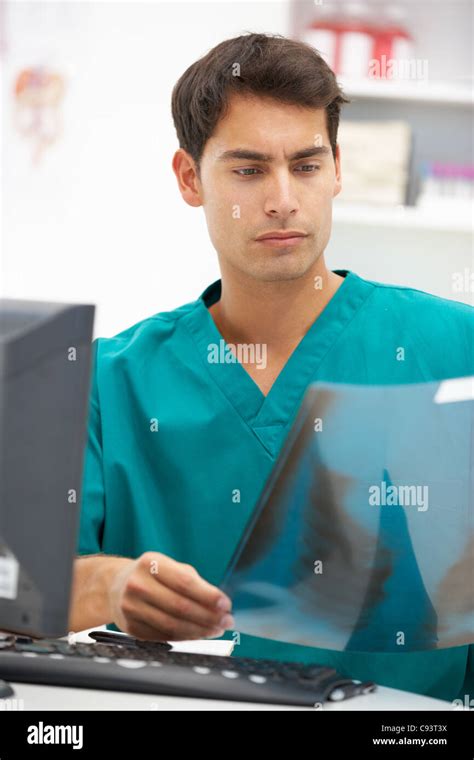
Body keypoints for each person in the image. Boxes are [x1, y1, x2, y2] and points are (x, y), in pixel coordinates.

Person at [71, 33, 473, 702]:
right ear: (190, 178)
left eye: (307, 165)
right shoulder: (109, 383)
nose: (283, 198)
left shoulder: (456, 350)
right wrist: (112, 585)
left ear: (338, 169)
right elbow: (27, 587)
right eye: (249, 169)